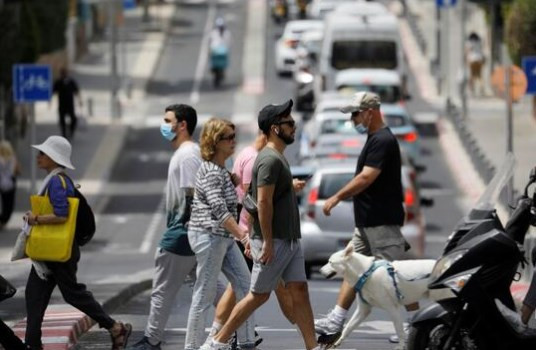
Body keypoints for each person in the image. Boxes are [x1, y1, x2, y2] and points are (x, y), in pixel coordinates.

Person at [210, 100, 323, 350]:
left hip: (290, 239)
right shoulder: (269, 160)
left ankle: (313, 347)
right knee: (257, 295)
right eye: (289, 123)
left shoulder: (278, 158)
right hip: (276, 240)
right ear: (275, 128)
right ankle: (216, 343)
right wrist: (267, 241)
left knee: (300, 291)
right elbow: (262, 202)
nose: (294, 126)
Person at [314, 91, 411, 344]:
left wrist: (336, 197)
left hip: (380, 222)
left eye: (356, 114)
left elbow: (366, 177)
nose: (354, 120)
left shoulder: (382, 140)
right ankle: (336, 318)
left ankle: (415, 326)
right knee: (352, 269)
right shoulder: (374, 138)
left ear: (370, 112)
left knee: (395, 277)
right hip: (366, 223)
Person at [127, 105, 225, 350]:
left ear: (182, 125)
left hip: (182, 235)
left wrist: (192, 230)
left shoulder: (188, 154)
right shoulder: (185, 153)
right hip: (190, 234)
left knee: (162, 290)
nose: (164, 125)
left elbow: (195, 194)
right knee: (213, 289)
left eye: (167, 120)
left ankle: (152, 340)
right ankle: (241, 328)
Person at [23, 135, 131, 350]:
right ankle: (32, 345)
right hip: (49, 252)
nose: (38, 156)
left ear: (54, 158)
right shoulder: (56, 180)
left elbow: (61, 215)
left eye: (43, 153)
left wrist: (35, 219)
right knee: (34, 296)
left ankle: (115, 327)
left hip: (60, 251)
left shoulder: (57, 182)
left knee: (73, 294)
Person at [203, 133, 295, 347]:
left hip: (250, 233)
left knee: (242, 289)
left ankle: (222, 338)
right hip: (254, 234)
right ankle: (218, 339)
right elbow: (252, 200)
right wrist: (252, 237)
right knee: (267, 290)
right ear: (267, 134)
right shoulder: (256, 159)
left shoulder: (247, 153)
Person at [185, 119, 255, 350]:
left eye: (234, 136)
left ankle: (246, 342)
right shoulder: (212, 172)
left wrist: (231, 180)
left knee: (246, 286)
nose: (233, 141)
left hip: (222, 239)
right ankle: (192, 347)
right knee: (203, 295)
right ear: (215, 142)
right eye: (228, 137)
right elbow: (220, 210)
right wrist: (243, 235)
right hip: (209, 236)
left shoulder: (221, 170)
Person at [53, 68, 82, 139]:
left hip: (70, 104)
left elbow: (77, 91)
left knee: (73, 119)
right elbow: (53, 91)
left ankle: (71, 131)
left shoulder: (71, 81)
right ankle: (64, 134)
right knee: (62, 120)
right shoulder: (58, 82)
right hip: (62, 104)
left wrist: (80, 100)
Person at [0, 140, 21, 227]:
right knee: (9, 204)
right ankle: (3, 220)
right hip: (11, 183)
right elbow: (17, 171)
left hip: (1, 182)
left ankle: (2, 220)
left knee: (4, 202)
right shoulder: (13, 158)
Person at [466, 32, 485, 96]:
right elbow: (482, 50)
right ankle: (481, 88)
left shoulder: (470, 42)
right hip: (479, 59)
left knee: (472, 75)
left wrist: (467, 60)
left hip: (472, 60)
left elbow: (468, 50)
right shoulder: (479, 42)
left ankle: (471, 90)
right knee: (479, 75)